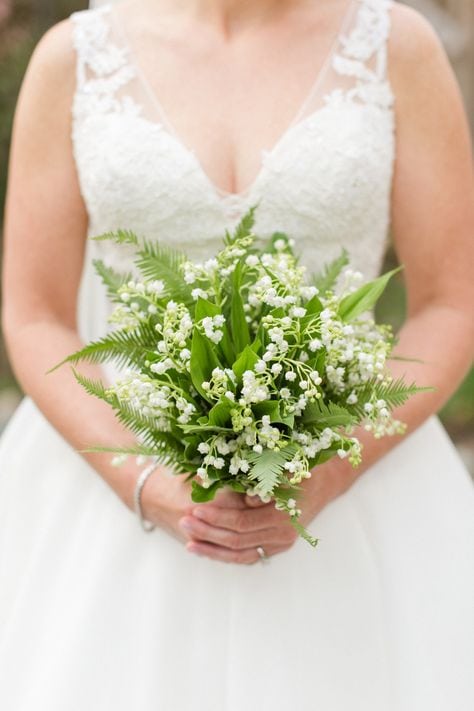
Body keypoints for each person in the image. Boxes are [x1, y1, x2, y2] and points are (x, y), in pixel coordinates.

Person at [0, 0, 473, 708]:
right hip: (110, 477)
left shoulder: (396, 47)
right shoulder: (76, 59)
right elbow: (34, 315)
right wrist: (145, 479)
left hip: (356, 483)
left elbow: (450, 303)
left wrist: (328, 471)